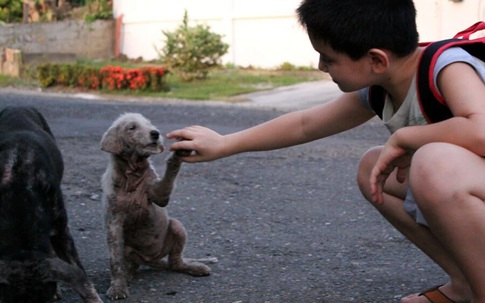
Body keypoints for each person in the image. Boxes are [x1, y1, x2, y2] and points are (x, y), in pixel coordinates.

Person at [167, 0, 485, 302]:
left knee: (432, 163)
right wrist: (225, 143)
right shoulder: (381, 87)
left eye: (328, 57)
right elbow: (306, 123)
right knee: (372, 168)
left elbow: (481, 132)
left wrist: (407, 137)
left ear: (376, 60)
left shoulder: (446, 66)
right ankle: (465, 283)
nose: (321, 66)